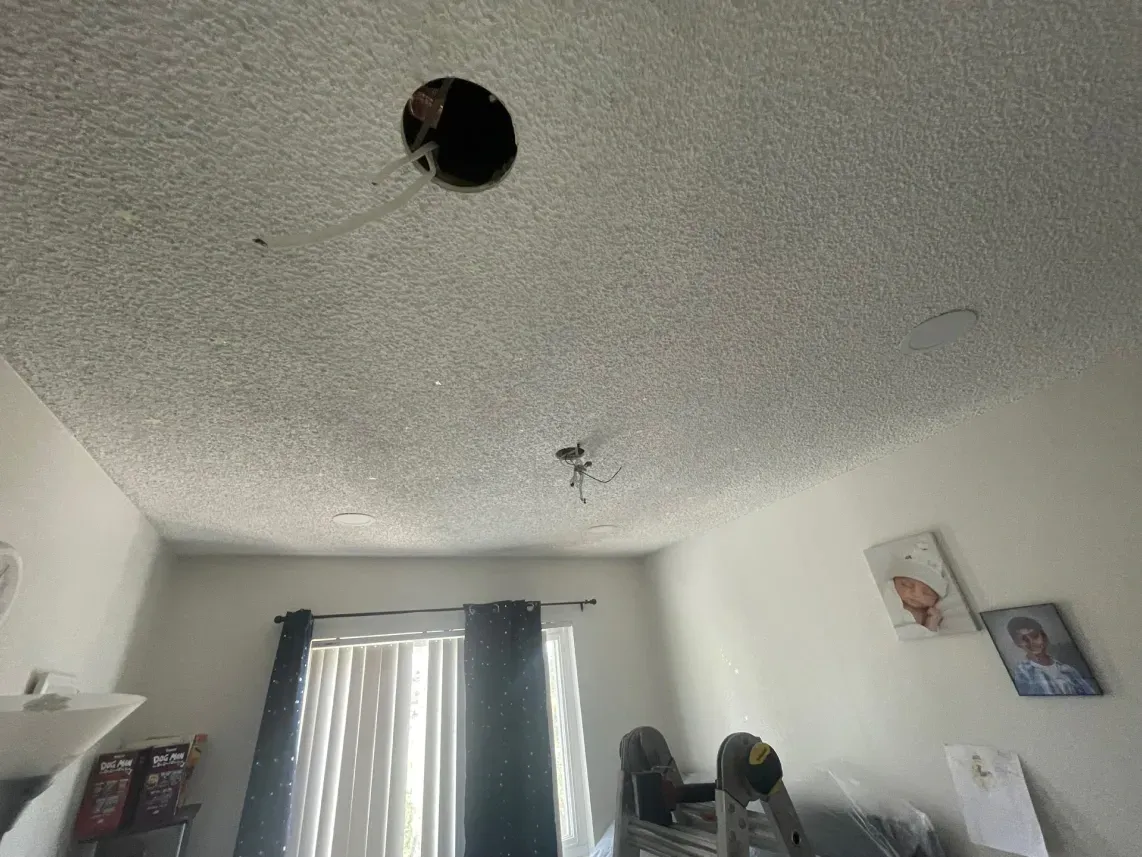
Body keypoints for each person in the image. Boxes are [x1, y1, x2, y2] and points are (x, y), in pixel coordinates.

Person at [1006, 616, 1097, 695]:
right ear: (1017, 643)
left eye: (1034, 636)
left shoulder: (1068, 670)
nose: (1032, 643)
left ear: (1044, 637)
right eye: (1024, 639)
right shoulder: (1022, 673)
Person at [882, 558, 949, 636]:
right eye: (906, 585)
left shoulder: (928, 615)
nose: (916, 594)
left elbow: (928, 642)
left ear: (936, 598)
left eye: (926, 593)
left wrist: (932, 623)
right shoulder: (890, 598)